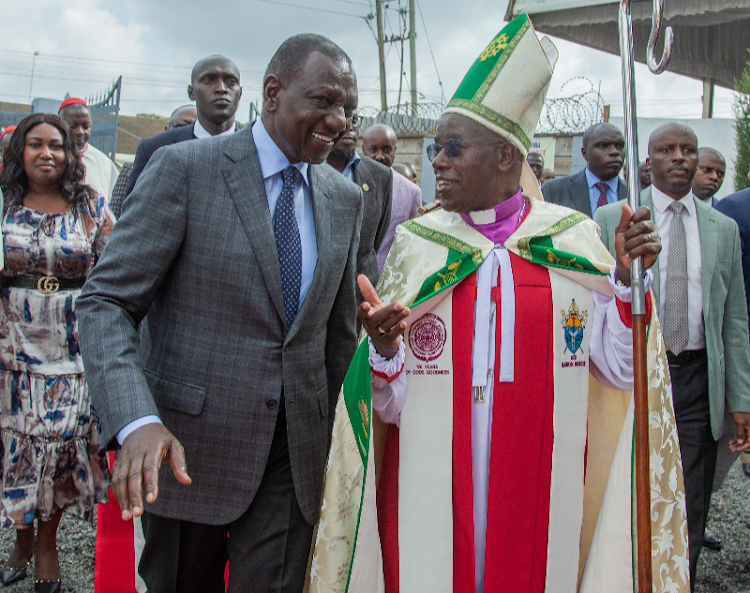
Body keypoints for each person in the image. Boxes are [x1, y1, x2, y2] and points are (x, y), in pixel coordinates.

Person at [308, 16, 689, 593]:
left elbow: (619, 369)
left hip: (544, 475)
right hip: (432, 485)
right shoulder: (419, 245)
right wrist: (383, 351)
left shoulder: (572, 239)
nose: (438, 161)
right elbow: (385, 408)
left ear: (507, 158)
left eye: (454, 149)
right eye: (436, 149)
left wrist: (628, 283)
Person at [77, 34, 362, 593]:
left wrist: (339, 451)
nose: (339, 121)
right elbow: (106, 301)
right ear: (274, 92)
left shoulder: (344, 198)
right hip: (186, 454)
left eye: (348, 108)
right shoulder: (185, 169)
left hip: (292, 464)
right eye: (324, 101)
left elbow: (336, 336)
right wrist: (136, 420)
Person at [595, 122, 750, 590]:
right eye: (668, 150)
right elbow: (600, 294)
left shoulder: (723, 229)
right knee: (633, 490)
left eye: (688, 150)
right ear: (650, 161)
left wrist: (741, 400)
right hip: (638, 373)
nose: (679, 158)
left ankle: (683, 579)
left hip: (698, 381)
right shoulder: (613, 219)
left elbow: (735, 319)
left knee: (692, 501)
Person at [0, 113, 113, 593]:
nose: (47, 153)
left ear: (70, 154)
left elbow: (116, 268)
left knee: (60, 448)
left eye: (57, 146)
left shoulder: (90, 207)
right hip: (11, 346)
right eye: (35, 144)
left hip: (72, 345)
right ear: (19, 152)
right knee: (17, 448)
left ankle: (47, 545)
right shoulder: (4, 205)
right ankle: (21, 540)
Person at [125, 55, 243, 196]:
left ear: (240, 93)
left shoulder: (258, 149)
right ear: (191, 92)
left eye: (231, 81)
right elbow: (134, 214)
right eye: (209, 80)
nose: (221, 89)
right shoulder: (154, 149)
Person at [326, 114, 391, 294]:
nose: (349, 125)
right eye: (341, 116)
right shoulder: (308, 168)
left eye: (354, 119)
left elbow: (374, 241)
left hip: (360, 297)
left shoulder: (380, 175)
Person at [361, 123, 422, 273]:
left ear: (395, 150)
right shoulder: (349, 184)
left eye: (387, 150)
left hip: (391, 283)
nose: (380, 156)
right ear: (363, 150)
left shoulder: (411, 193)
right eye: (373, 149)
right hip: (352, 284)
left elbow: (411, 244)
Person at [543, 122, 627, 217]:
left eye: (619, 146)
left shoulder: (637, 195)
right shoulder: (555, 190)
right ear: (585, 153)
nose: (614, 151)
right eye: (603, 145)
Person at [58, 98, 119, 200]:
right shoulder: (51, 158)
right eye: (73, 126)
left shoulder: (104, 163)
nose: (80, 131)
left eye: (86, 126)